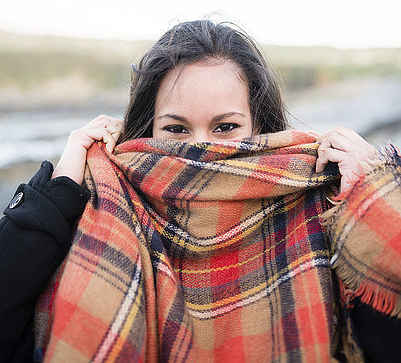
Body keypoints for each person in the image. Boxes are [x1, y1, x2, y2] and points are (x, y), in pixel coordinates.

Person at [0, 19, 400, 363]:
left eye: (226, 127)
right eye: (176, 128)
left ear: (260, 128)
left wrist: (377, 191)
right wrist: (57, 191)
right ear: (148, 128)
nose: (199, 149)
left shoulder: (318, 207)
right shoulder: (100, 212)